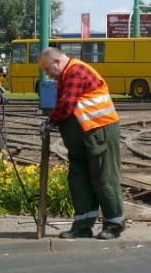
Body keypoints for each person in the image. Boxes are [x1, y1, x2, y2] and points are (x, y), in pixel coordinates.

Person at [38, 47, 126, 240]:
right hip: (85, 136)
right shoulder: (66, 74)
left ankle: (114, 225)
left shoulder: (75, 71)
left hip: (99, 132)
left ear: (57, 62)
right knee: (79, 179)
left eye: (47, 69)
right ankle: (82, 226)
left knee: (104, 179)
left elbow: (67, 104)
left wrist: (50, 121)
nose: (47, 74)